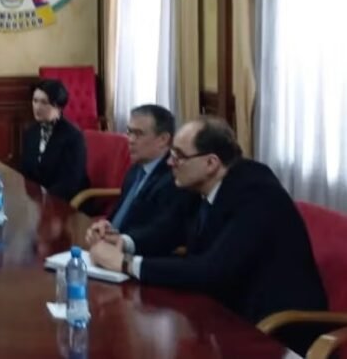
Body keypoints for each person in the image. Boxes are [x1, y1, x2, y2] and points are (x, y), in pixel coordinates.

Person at [89, 116, 327, 355]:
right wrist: (124, 242)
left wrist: (126, 264)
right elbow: (168, 229)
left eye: (179, 156)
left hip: (273, 330)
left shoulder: (256, 194)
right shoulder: (200, 183)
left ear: (211, 163)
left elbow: (211, 270)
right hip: (222, 313)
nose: (170, 163)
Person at [85, 105, 197, 255]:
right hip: (109, 247)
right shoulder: (136, 169)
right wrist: (105, 225)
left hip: (137, 256)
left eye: (138, 134)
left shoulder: (176, 178)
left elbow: (161, 232)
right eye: (129, 132)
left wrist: (122, 242)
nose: (130, 140)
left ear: (163, 139)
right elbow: (121, 212)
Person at [19, 79, 90, 201]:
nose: (37, 107)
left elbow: (71, 182)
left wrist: (44, 198)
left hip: (67, 202)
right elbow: (26, 172)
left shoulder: (73, 136)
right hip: (38, 201)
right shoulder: (30, 132)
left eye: (44, 102)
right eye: (35, 101)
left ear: (58, 106)